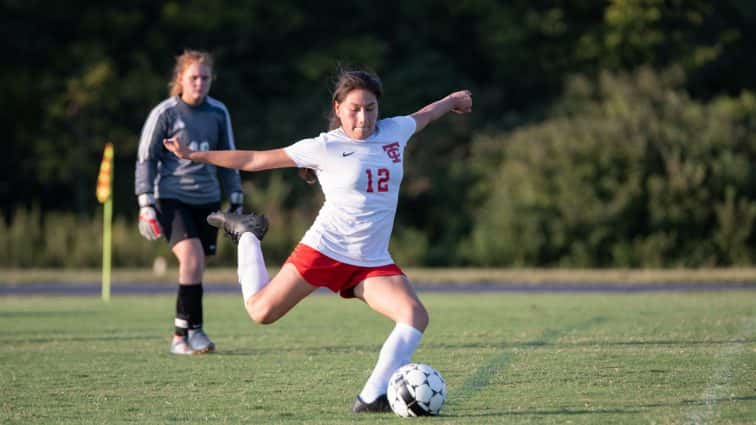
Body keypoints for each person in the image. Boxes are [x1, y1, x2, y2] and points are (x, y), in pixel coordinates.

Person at [163, 69, 472, 411]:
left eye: (370, 108)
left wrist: (452, 101)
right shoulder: (324, 147)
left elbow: (425, 115)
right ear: (338, 108)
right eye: (354, 108)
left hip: (371, 262)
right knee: (260, 312)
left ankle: (371, 397)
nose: (363, 117)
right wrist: (195, 155)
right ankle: (247, 234)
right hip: (325, 250)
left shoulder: (394, 131)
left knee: (415, 316)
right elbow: (253, 159)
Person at [134, 49, 245, 355]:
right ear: (180, 79)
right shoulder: (165, 113)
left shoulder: (218, 112)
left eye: (205, 77)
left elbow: (229, 156)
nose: (199, 83)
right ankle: (185, 335)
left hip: (207, 199)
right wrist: (146, 203)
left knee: (195, 267)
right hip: (172, 198)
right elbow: (146, 158)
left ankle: (187, 332)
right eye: (193, 77)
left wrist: (235, 200)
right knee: (192, 260)